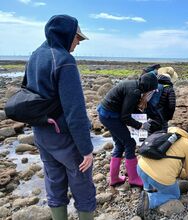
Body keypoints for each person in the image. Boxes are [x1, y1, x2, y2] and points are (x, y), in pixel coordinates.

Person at [27, 15, 95, 220]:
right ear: (66, 35)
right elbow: (75, 112)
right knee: (83, 186)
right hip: (64, 137)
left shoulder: (35, 55)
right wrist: (86, 149)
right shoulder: (65, 61)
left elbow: (28, 93)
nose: (78, 43)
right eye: (77, 38)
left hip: (41, 133)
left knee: (54, 181)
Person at [98, 72, 158, 187]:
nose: (151, 92)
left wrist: (145, 116)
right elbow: (125, 117)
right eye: (152, 90)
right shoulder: (134, 92)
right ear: (147, 87)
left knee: (120, 144)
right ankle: (134, 178)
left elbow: (128, 108)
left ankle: (114, 178)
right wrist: (141, 126)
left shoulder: (135, 86)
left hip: (107, 113)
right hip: (110, 116)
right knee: (129, 143)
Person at [136, 127, 188, 218]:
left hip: (140, 167)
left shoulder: (163, 133)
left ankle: (147, 190)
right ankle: (150, 200)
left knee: (149, 175)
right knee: (174, 194)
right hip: (158, 176)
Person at [146, 67, 177, 133]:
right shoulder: (169, 89)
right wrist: (168, 118)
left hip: (149, 117)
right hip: (162, 118)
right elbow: (172, 106)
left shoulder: (152, 85)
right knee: (161, 137)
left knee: (148, 137)